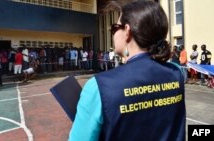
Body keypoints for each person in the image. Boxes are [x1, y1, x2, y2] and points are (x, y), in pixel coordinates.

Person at [69, 1, 185, 141]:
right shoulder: (177, 73)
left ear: (127, 31)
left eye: (115, 28)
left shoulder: (99, 87)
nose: (113, 33)